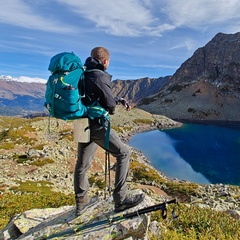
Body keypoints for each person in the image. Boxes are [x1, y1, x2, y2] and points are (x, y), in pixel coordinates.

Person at [74, 46, 144, 216]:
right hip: (97, 124)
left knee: (82, 163)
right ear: (105, 61)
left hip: (80, 122)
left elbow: (92, 96)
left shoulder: (81, 74)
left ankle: (81, 203)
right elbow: (109, 105)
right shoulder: (99, 75)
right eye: (109, 62)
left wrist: (118, 99)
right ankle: (120, 200)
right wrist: (113, 105)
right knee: (123, 153)